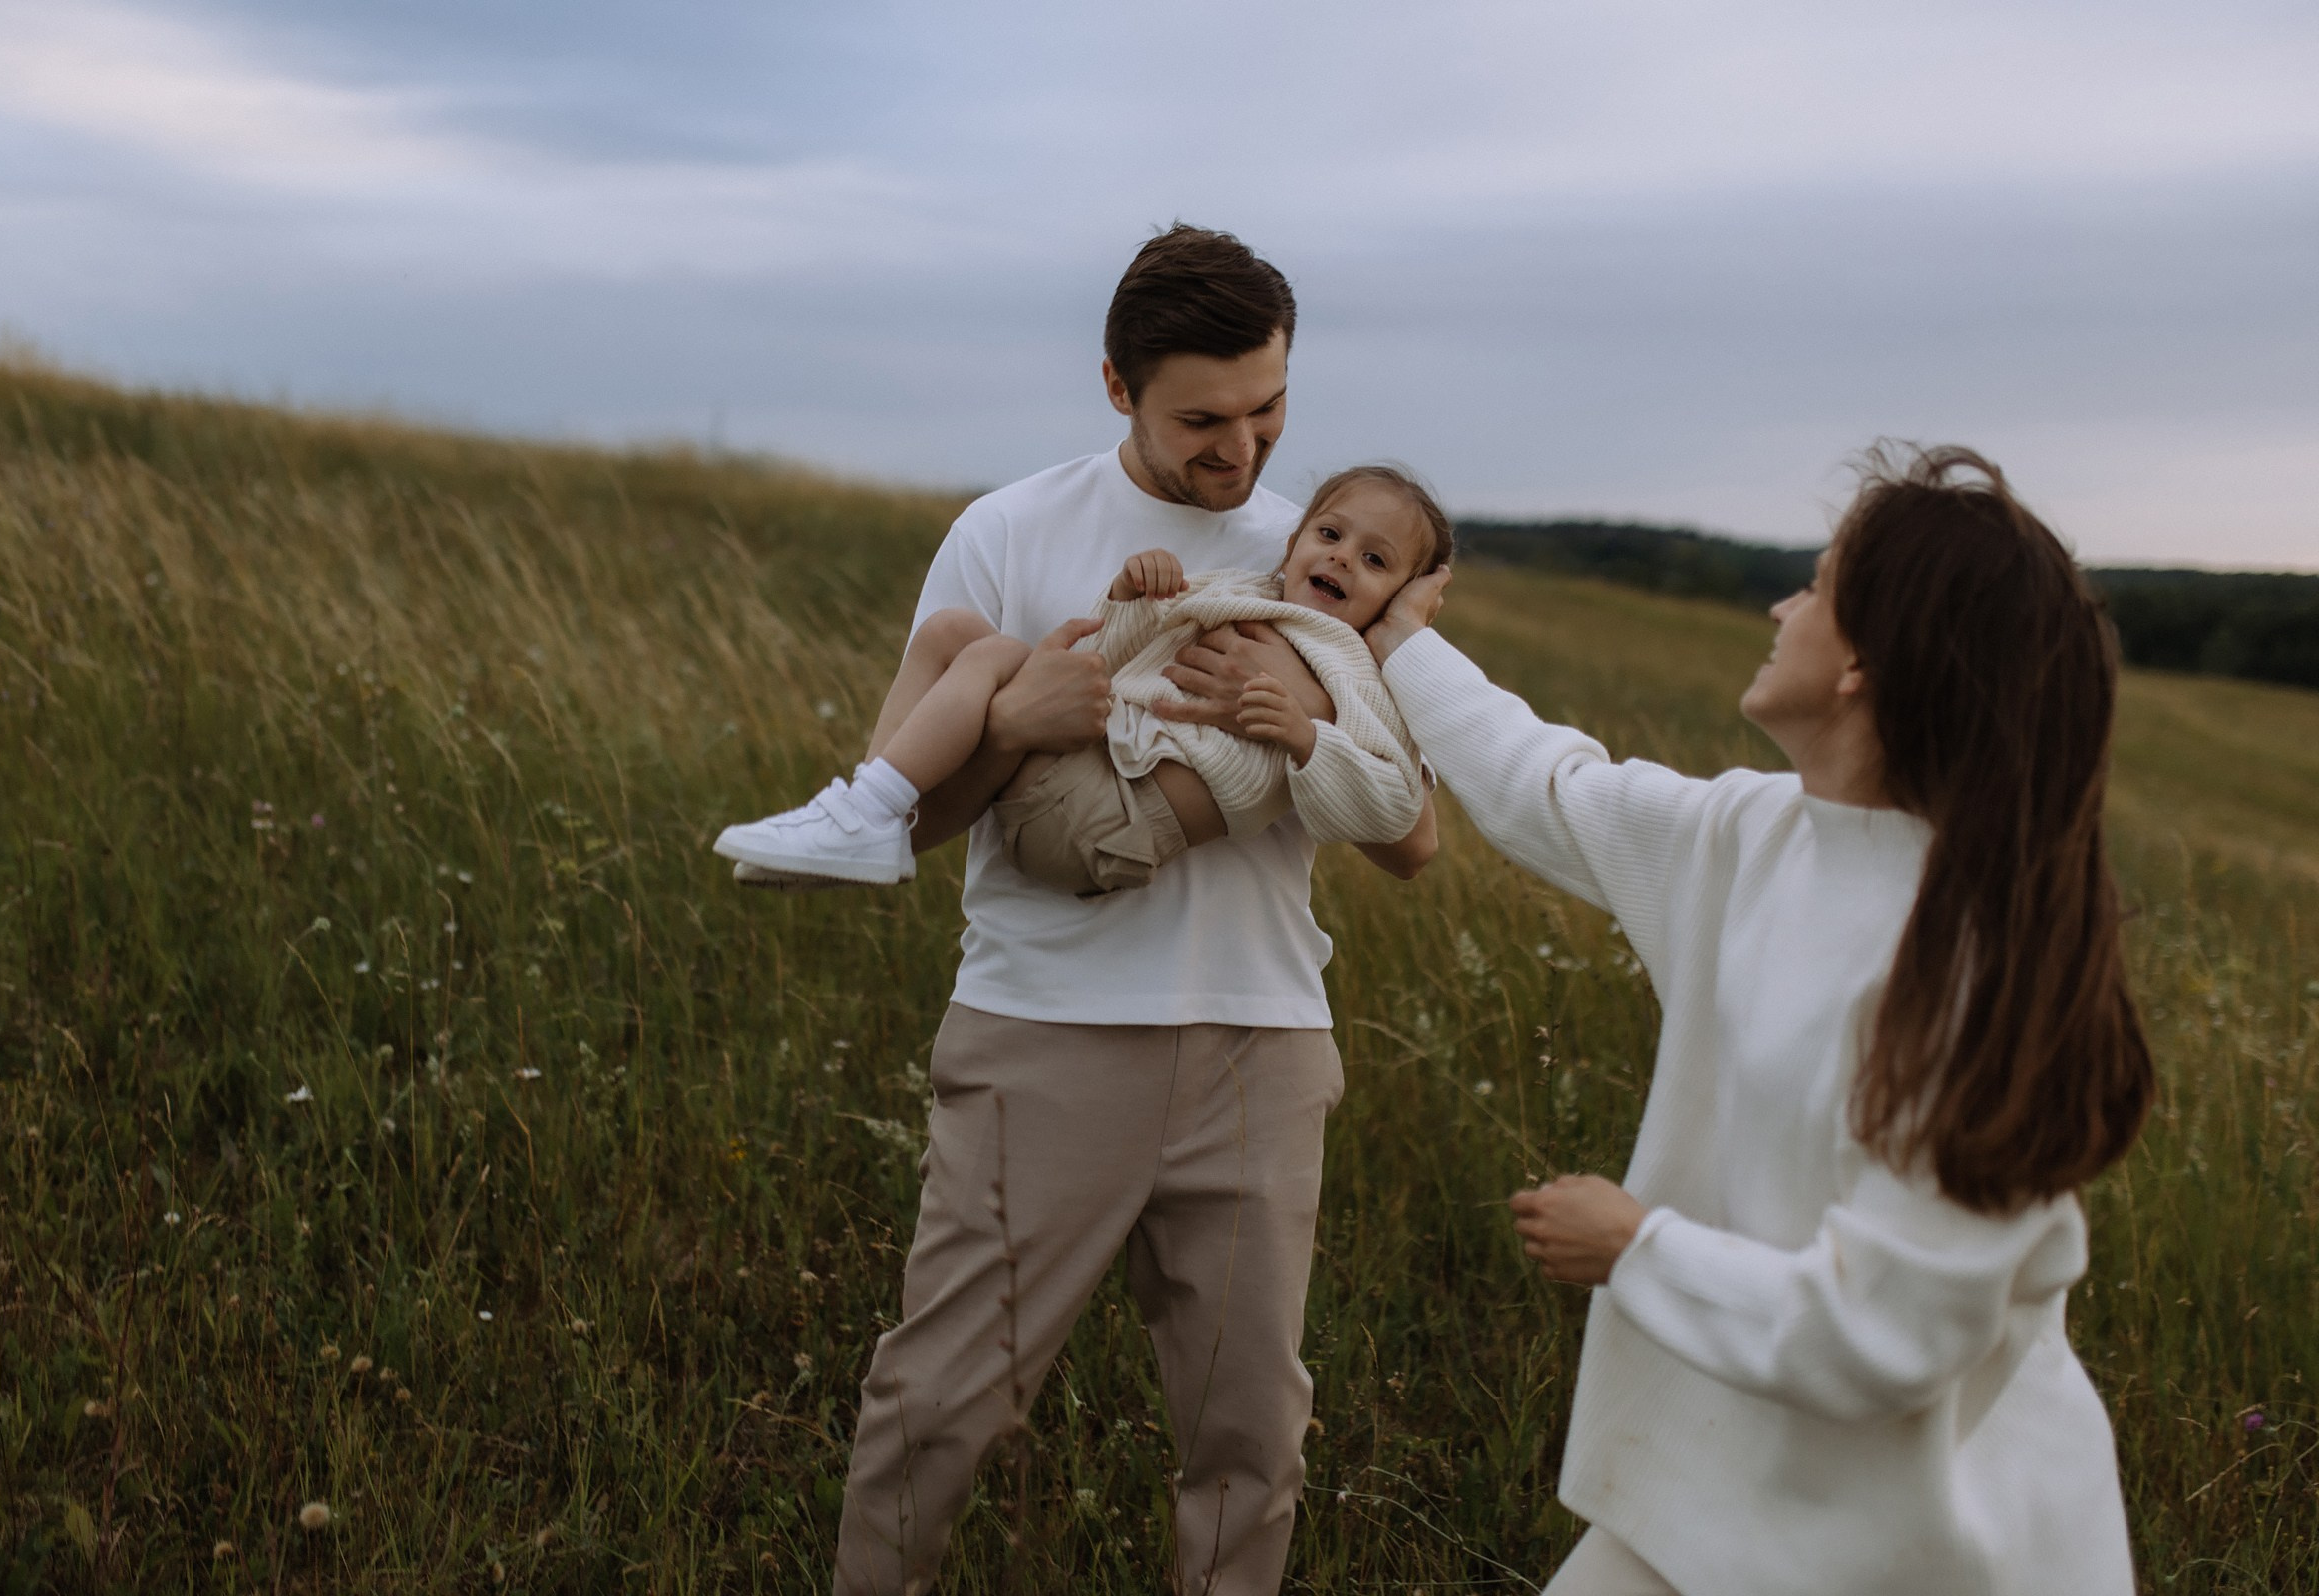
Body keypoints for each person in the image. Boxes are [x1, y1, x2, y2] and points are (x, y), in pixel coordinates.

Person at [1366, 445, 2151, 1595]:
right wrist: (1395, 641)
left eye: (1819, 586)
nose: (1783, 605)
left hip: (1935, 1544)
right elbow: (1549, 786)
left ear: (1863, 666)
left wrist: (1639, 1247)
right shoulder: (1758, 834)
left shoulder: (1961, 966)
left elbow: (1891, 1333)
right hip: (1722, 1495)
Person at [823, 225, 1438, 1596]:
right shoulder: (1009, 533)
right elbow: (901, 821)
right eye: (1203, 420)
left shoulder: (1332, 553)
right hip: (1043, 1030)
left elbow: (1416, 836)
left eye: (1269, 407)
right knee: (936, 1406)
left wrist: (1305, 727)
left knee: (1251, 1434)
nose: (1244, 451)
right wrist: (1014, 725)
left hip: (1260, 1042)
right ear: (1117, 387)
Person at [712, 464, 1449, 897]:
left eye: (1377, 561)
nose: (1345, 558)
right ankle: (861, 818)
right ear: (1294, 543)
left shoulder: (1367, 672)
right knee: (953, 637)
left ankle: (863, 818)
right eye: (1330, 535)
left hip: (1115, 826)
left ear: (1404, 598)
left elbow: (1393, 810)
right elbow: (1119, 658)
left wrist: (1303, 733)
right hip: (1087, 768)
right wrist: (1133, 597)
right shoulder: (1242, 588)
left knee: (990, 657)